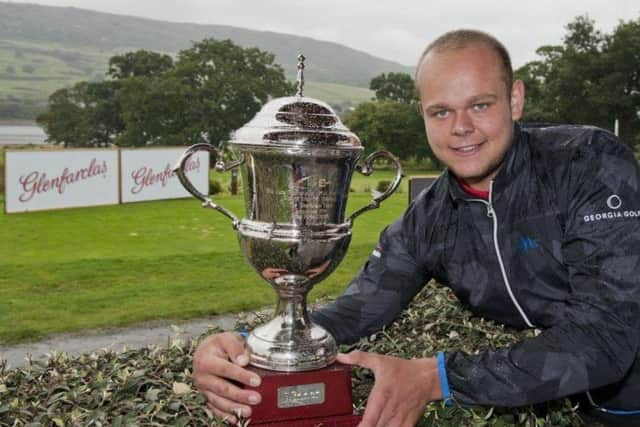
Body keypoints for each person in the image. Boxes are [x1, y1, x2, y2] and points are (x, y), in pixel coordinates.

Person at [191, 29, 640, 427]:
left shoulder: (587, 162)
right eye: (440, 112)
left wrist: (437, 376)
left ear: (515, 99)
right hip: (561, 399)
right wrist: (245, 348)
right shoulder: (430, 218)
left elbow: (608, 335)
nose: (461, 127)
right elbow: (359, 309)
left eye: (480, 105)